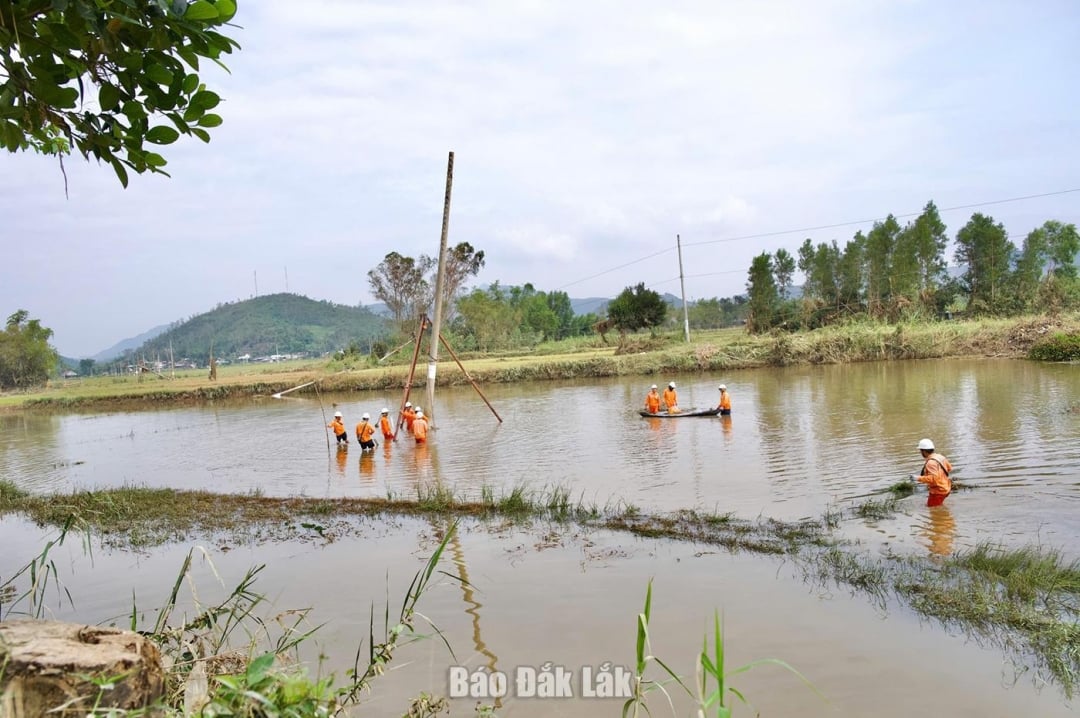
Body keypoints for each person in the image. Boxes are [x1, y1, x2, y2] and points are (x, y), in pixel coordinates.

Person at [911, 438, 953, 507]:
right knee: (939, 506)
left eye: (920, 451)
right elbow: (949, 468)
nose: (920, 453)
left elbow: (933, 479)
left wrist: (918, 478)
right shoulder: (940, 457)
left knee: (932, 510)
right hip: (946, 487)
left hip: (938, 492)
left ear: (924, 451)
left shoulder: (930, 463)